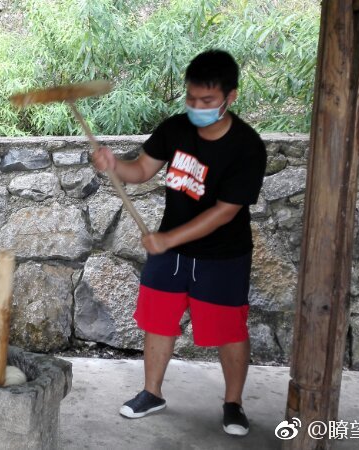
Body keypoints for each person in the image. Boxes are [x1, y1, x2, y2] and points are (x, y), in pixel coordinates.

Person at [92, 49, 266, 436]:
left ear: (230, 97)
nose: (197, 107)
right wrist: (113, 165)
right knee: (158, 321)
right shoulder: (175, 129)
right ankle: (152, 393)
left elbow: (225, 211)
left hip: (222, 255)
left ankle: (233, 403)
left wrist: (168, 237)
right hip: (170, 252)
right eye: (191, 98)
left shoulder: (246, 146)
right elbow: (141, 169)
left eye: (207, 100)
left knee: (228, 330)